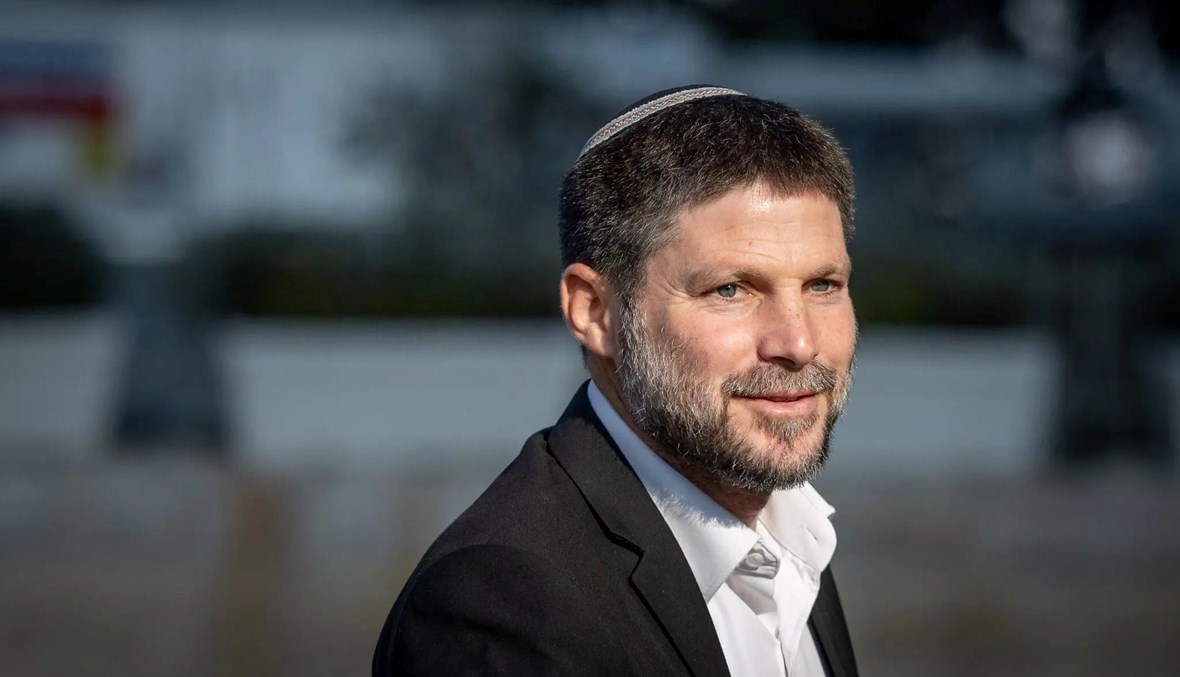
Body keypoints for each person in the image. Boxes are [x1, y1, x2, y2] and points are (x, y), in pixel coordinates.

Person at [373, 85, 860, 677]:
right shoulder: (501, 603)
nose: (799, 343)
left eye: (823, 285)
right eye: (730, 290)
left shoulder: (794, 537)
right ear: (596, 312)